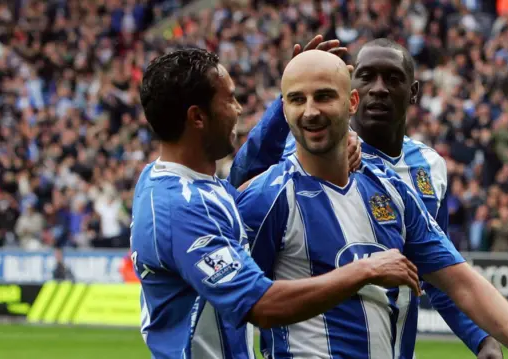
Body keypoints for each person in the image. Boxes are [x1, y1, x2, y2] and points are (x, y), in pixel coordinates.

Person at [235, 50, 508, 359]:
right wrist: (362, 271)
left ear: (350, 102)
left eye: (324, 96)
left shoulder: (397, 187)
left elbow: (457, 279)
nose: (311, 111)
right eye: (296, 99)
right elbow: (244, 302)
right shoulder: (268, 195)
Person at [131, 48, 423, 359]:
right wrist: (365, 270)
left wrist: (323, 132)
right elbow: (262, 305)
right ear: (197, 117)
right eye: (229, 99)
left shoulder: (179, 182)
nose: (239, 108)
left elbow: (252, 175)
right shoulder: (180, 207)